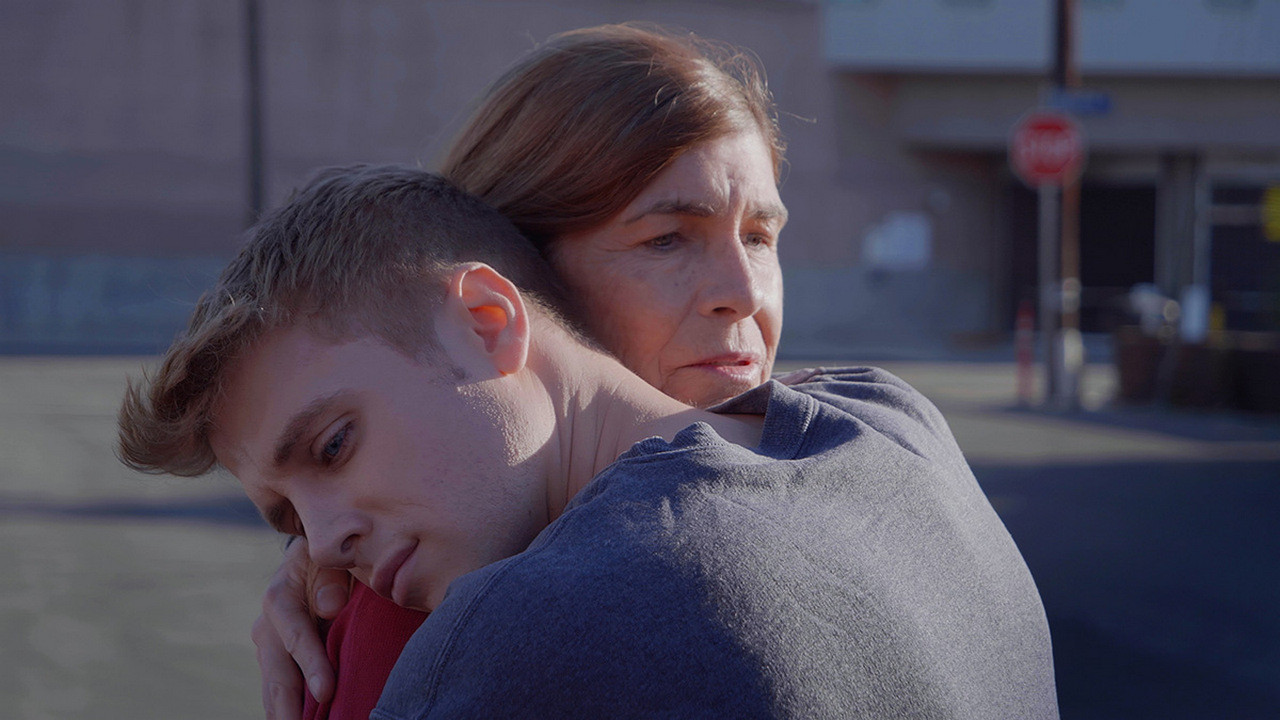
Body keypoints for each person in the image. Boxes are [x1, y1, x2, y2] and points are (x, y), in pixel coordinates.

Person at [119, 165, 1058, 718]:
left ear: (488, 322)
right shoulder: (889, 420)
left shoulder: (523, 631)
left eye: (332, 447)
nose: (324, 546)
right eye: (288, 519)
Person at [257, 23, 791, 720]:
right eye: (665, 240)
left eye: (758, 236)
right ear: (505, 299)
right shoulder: (434, 619)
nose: (744, 292)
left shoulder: (866, 432)